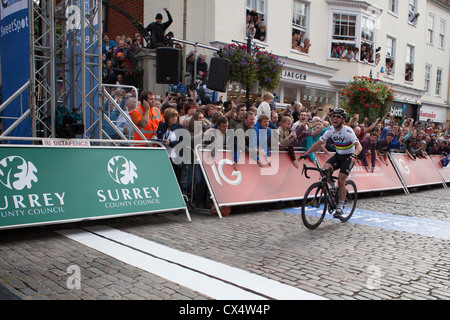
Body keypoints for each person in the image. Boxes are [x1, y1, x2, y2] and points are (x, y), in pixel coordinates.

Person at [299, 108, 362, 218]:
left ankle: (340, 207)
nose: (335, 118)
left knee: (341, 180)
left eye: (338, 116)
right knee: (324, 171)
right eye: (333, 116)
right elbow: (319, 143)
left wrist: (354, 155)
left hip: (348, 157)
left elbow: (359, 146)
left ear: (343, 120)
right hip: (338, 155)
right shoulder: (330, 130)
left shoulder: (348, 131)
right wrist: (307, 153)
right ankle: (333, 187)